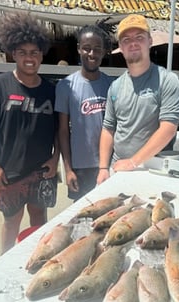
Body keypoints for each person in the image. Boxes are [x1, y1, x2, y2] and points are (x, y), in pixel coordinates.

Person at [0, 12, 59, 253]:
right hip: (10, 171)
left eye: (34, 52)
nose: (29, 58)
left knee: (40, 220)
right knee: (11, 222)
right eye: (22, 52)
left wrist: (55, 157)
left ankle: (39, 259)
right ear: (13, 53)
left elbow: (60, 129)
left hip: (42, 171)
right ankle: (4, 265)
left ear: (41, 54)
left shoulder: (51, 90)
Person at [97, 14, 179, 184]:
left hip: (153, 168)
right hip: (118, 166)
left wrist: (133, 162)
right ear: (120, 47)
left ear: (150, 41)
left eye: (139, 37)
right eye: (126, 39)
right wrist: (102, 168)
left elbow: (168, 129)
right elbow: (108, 129)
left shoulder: (167, 80)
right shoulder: (115, 86)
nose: (133, 43)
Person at [55, 25, 113, 201]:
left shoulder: (112, 85)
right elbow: (63, 131)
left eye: (97, 49)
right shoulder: (66, 86)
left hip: (108, 164)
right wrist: (68, 169)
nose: (91, 54)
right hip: (80, 167)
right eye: (87, 48)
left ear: (103, 52)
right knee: (82, 217)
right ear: (79, 48)